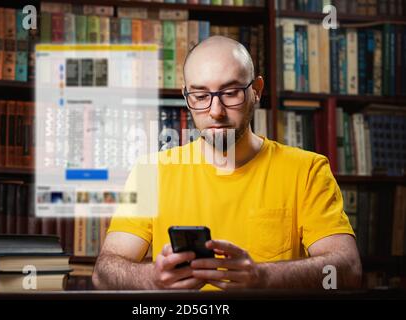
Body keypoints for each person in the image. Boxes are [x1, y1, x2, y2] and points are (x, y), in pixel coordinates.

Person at [92, 36, 362, 290]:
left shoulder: (307, 171)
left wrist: (263, 276)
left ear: (256, 91)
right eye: (200, 96)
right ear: (186, 96)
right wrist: (153, 277)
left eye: (231, 92)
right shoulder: (150, 174)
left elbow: (348, 270)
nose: (216, 111)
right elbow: (103, 273)